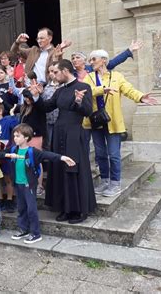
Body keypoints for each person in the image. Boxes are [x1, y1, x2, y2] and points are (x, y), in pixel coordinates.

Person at [84, 49, 158, 197]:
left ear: (104, 60)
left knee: (114, 154)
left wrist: (141, 97)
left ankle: (115, 183)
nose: (91, 62)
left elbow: (128, 89)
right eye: (90, 60)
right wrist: (102, 90)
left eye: (94, 59)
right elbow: (86, 92)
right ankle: (105, 181)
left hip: (113, 122)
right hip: (96, 121)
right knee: (100, 154)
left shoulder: (117, 77)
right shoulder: (89, 77)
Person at [31, 59, 96, 224]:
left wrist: (80, 101)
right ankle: (65, 208)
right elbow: (46, 107)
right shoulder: (59, 91)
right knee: (60, 169)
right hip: (59, 133)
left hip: (74, 133)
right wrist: (37, 95)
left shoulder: (84, 87)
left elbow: (88, 111)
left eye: (56, 72)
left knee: (73, 168)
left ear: (66, 71)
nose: (53, 75)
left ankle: (79, 210)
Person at [0, 124, 76, 244]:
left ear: (26, 138)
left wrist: (62, 157)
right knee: (21, 208)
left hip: (29, 185)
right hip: (18, 184)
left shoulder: (33, 152)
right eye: (14, 136)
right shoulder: (13, 149)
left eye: (18, 136)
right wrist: (8, 155)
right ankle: (24, 229)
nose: (15, 138)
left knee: (31, 209)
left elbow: (48, 155)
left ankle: (36, 233)